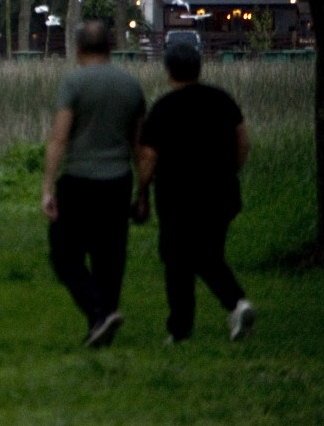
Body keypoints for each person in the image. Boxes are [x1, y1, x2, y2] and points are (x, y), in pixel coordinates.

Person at [134, 41, 255, 343]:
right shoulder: (222, 100)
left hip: (177, 197)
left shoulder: (164, 108)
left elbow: (149, 157)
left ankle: (185, 325)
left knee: (178, 260)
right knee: (209, 253)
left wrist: (142, 189)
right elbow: (243, 142)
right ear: (199, 68)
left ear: (169, 71)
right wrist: (231, 172)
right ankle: (234, 307)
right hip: (222, 193)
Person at [42, 20, 146, 348]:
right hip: (118, 181)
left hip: (78, 180)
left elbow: (59, 138)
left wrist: (47, 187)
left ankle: (99, 313)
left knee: (64, 255)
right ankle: (102, 323)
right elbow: (139, 146)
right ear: (110, 48)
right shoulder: (131, 86)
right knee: (110, 255)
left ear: (78, 49)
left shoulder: (73, 83)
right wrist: (144, 193)